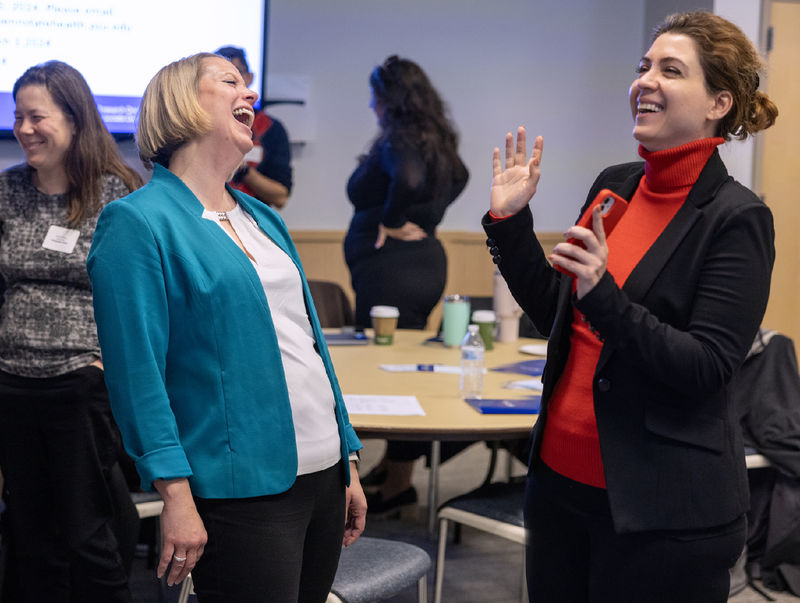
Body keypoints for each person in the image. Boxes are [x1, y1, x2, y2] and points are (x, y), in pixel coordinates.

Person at [484, 10, 778, 603]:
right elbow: (559, 318)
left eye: (671, 70)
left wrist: (606, 297)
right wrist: (511, 224)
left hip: (663, 511)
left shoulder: (737, 218)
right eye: (644, 66)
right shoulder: (614, 184)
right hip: (559, 486)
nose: (645, 81)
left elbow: (706, 369)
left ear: (719, 102)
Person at [87, 53, 366, 603]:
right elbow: (137, 378)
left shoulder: (263, 218)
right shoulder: (137, 222)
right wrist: (175, 496)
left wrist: (349, 457)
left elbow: (309, 346)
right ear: (185, 105)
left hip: (325, 474)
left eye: (249, 84)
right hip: (242, 492)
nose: (251, 95)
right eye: (231, 82)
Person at [0, 60, 143, 602]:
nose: (24, 128)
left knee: (87, 531)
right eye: (18, 117)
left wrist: (102, 365)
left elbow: (137, 297)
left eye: (37, 116)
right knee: (29, 531)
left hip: (80, 384)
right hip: (12, 384)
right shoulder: (8, 190)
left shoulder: (116, 196)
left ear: (75, 119)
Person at [345, 55, 469, 513]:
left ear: (389, 98)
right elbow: (461, 176)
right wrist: (428, 217)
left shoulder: (400, 139)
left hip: (392, 271)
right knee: (401, 371)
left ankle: (396, 485)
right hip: (421, 266)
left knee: (384, 373)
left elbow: (410, 178)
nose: (371, 104)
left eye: (375, 95)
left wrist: (395, 220)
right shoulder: (436, 139)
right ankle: (396, 476)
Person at [215, 45, 293, 209]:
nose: (232, 86)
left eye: (238, 75)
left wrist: (241, 169)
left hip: (251, 221)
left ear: (249, 78)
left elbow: (281, 197)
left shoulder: (270, 128)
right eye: (225, 79)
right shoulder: (198, 124)